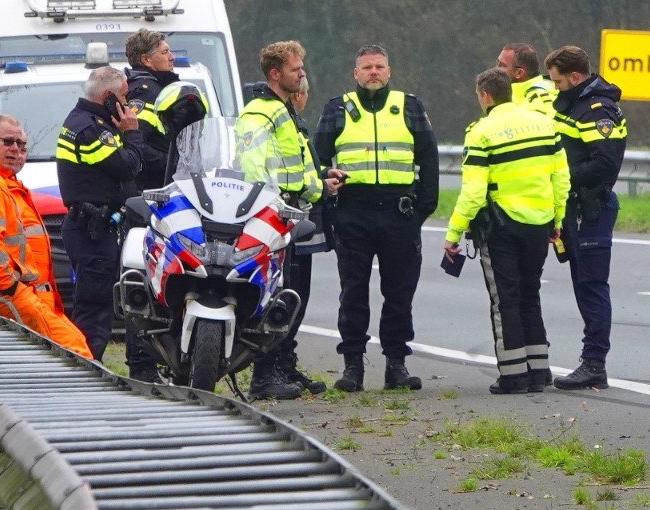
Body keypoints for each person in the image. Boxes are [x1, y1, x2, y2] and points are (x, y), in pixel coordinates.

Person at [314, 44, 439, 392]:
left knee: (399, 293)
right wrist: (327, 180)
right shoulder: (337, 108)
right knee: (353, 292)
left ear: (389, 72)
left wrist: (422, 210)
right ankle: (352, 365)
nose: (373, 72)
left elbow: (429, 159)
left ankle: (396, 365)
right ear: (356, 73)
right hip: (353, 212)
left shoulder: (409, 106)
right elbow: (316, 159)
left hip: (400, 213)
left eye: (379, 67)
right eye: (367, 67)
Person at [444, 67, 569, 394]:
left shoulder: (481, 132)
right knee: (531, 294)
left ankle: (513, 376)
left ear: (485, 95)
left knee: (506, 301)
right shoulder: (545, 125)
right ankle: (539, 372)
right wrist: (557, 219)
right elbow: (561, 178)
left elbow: (473, 193)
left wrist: (454, 233)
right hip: (540, 223)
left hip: (501, 227)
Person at [0, 115, 91, 357]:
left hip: (4, 292)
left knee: (68, 349)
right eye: (8, 142)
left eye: (22, 145)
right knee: (75, 353)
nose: (16, 150)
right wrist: (12, 288)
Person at [237, 40, 336, 400]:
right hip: (275, 217)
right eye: (296, 69)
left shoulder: (284, 110)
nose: (302, 74)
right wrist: (272, 208)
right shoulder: (261, 112)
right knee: (277, 297)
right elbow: (253, 168)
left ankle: (283, 364)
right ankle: (265, 375)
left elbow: (296, 167)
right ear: (276, 74)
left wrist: (321, 184)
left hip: (294, 214)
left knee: (294, 296)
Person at [544, 44, 627, 390]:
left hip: (591, 209)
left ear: (575, 77)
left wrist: (564, 178)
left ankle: (594, 363)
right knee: (583, 285)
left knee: (592, 287)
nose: (555, 87)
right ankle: (591, 360)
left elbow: (606, 163)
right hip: (573, 208)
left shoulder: (597, 110)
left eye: (558, 81)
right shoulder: (573, 104)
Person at [55, 64, 145, 364]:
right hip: (91, 230)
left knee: (95, 303)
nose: (127, 103)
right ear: (108, 97)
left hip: (91, 226)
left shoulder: (88, 121)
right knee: (94, 308)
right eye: (124, 96)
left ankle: (85, 364)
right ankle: (86, 368)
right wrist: (132, 133)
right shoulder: (92, 129)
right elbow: (128, 167)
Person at [124, 29, 210, 191]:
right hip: (154, 187)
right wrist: (173, 162)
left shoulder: (156, 87)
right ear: (146, 60)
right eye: (165, 52)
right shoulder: (145, 92)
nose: (172, 57)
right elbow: (136, 142)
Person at [499, 43, 556, 112]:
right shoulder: (511, 95)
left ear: (519, 73)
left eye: (502, 66)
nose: (496, 69)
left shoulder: (540, 99)